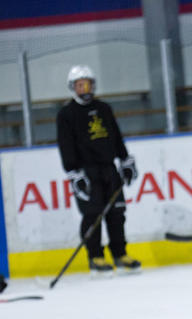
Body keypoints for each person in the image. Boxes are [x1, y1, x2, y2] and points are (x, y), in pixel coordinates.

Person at [56, 65, 141, 276]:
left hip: (109, 168)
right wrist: (73, 174)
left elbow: (116, 135)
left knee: (117, 212)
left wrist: (125, 160)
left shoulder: (104, 108)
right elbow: (65, 145)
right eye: (80, 85)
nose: (85, 89)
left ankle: (120, 254)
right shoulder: (66, 114)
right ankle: (95, 257)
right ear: (72, 88)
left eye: (88, 84)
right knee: (92, 214)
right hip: (86, 172)